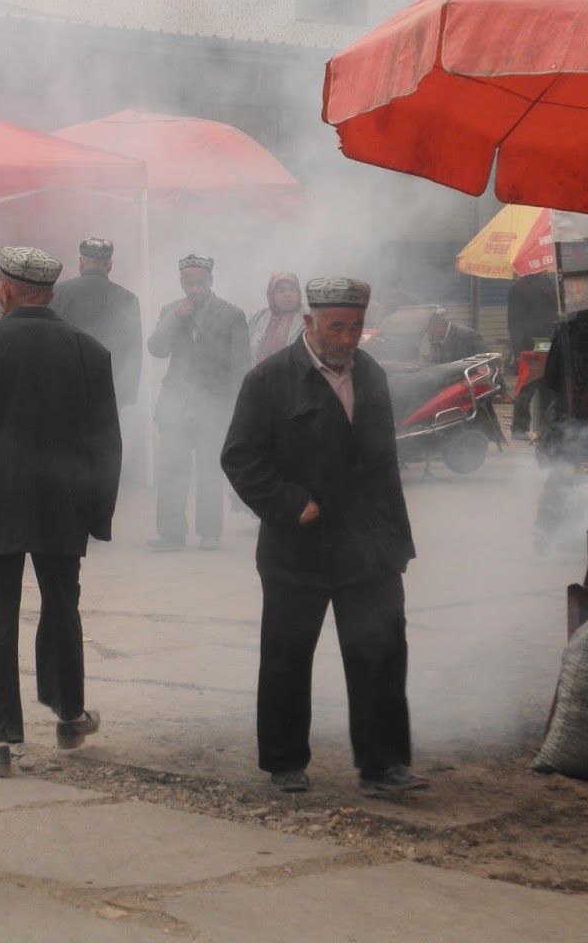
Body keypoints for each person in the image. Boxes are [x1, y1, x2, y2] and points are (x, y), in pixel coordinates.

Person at [221, 276, 427, 797]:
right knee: (288, 656)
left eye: (356, 327)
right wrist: (291, 503)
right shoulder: (268, 380)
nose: (348, 338)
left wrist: (392, 533)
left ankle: (384, 765)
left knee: (379, 651)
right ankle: (285, 761)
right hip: (299, 545)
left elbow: (384, 462)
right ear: (310, 323)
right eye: (337, 326)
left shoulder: (373, 374)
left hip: (370, 545)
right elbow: (240, 458)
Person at [0, 247, 120, 777]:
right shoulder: (89, 350)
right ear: (52, 293)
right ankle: (69, 715)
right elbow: (107, 440)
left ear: (6, 290)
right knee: (62, 607)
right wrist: (100, 512)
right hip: (64, 502)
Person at [146, 254, 249, 551]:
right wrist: (173, 318)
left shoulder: (232, 314)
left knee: (209, 470)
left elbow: (241, 365)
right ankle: (171, 533)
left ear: (211, 281)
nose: (194, 289)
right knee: (171, 469)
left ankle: (210, 532)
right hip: (176, 403)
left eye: (200, 283)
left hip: (214, 405)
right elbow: (156, 349)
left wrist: (236, 409)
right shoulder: (170, 311)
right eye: (188, 283)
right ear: (181, 283)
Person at [50, 237, 143, 408]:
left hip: (63, 387)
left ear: (81, 263)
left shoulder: (57, 292)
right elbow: (133, 349)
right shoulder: (128, 299)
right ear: (109, 265)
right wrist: (128, 394)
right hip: (109, 389)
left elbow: (48, 341)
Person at [247, 272, 306, 365]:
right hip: (258, 377)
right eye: (281, 290)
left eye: (292, 289)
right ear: (272, 295)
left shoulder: (309, 320)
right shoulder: (257, 318)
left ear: (299, 293)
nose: (287, 294)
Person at [418, 307, 485, 365]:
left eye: (427, 327)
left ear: (439, 326)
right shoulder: (436, 337)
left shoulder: (467, 335)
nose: (426, 331)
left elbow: (486, 361)